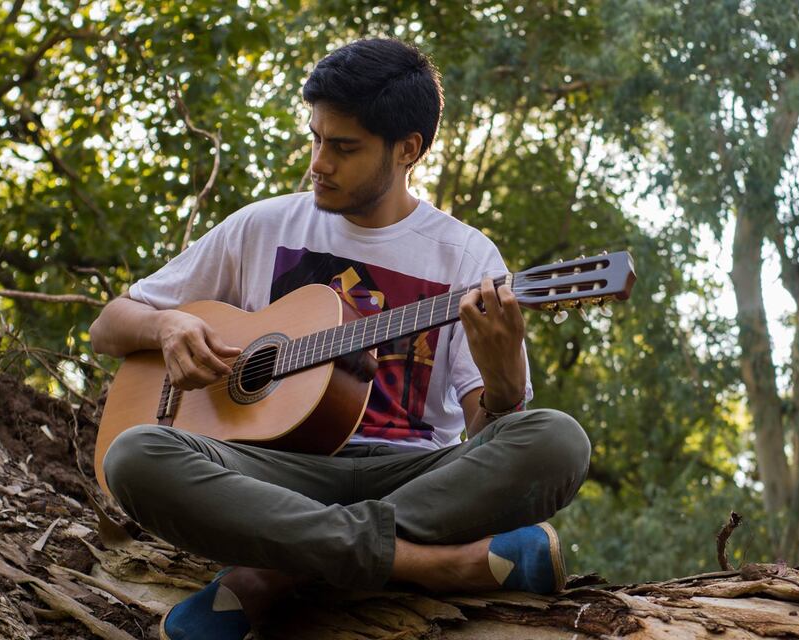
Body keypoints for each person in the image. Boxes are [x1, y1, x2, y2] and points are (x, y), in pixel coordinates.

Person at [89, 37, 590, 640]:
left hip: (415, 476)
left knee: (557, 441)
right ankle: (436, 565)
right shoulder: (264, 225)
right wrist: (166, 323)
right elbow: (108, 325)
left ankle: (270, 577)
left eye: (343, 147)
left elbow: (489, 435)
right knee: (136, 456)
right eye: (317, 138)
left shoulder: (467, 256)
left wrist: (505, 376)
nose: (318, 163)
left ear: (408, 150)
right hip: (272, 473)